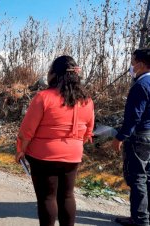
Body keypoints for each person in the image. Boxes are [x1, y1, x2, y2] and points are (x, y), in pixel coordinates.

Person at [15, 55, 94, 226]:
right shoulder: (86, 100)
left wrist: (21, 150)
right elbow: (88, 131)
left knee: (47, 197)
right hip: (73, 155)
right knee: (67, 195)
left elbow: (27, 131)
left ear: (54, 74)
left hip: (44, 156)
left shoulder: (43, 97)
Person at [112, 49, 150, 226]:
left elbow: (133, 117)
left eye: (133, 61)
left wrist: (120, 137)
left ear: (141, 64)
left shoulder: (141, 86)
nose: (131, 65)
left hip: (140, 137)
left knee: (137, 178)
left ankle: (139, 219)